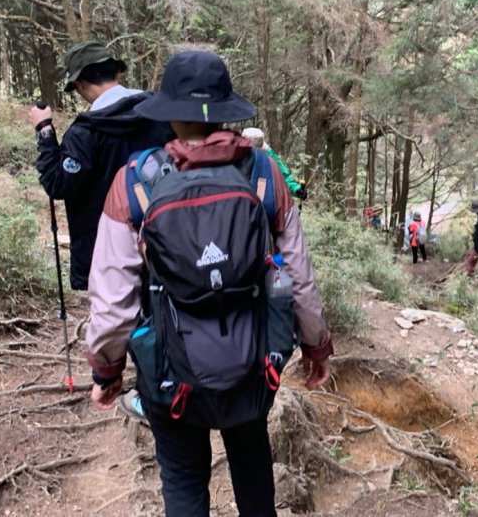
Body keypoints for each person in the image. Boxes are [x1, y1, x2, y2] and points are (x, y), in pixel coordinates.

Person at [85, 50, 333, 517]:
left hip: (169, 372)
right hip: (251, 363)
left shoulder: (136, 182)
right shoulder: (263, 173)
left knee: (182, 479)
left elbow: (113, 299)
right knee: (252, 463)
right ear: (224, 110)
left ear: (170, 112)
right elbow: (296, 275)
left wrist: (107, 371)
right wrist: (317, 346)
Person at [28, 40, 172, 290]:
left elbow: (58, 183)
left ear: (80, 83)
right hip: (167, 241)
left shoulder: (85, 132)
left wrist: (45, 131)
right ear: (116, 73)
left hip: (107, 254)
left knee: (116, 325)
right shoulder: (162, 115)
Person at [241, 126, 308, 200]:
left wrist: (296, 189)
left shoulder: (269, 154)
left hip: (262, 201)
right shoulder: (234, 158)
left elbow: (282, 175)